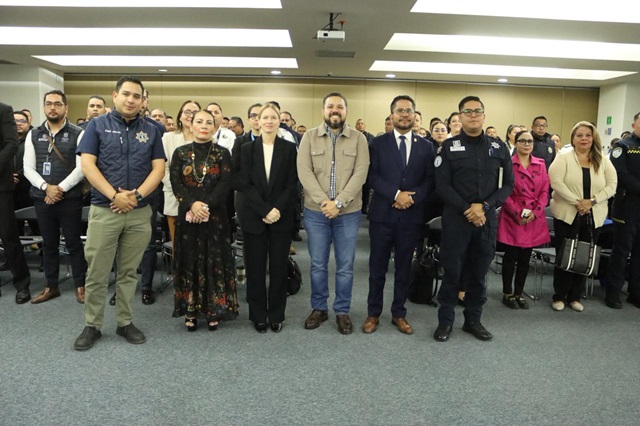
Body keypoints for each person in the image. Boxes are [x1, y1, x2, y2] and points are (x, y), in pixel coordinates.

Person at [73, 76, 165, 351]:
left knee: (129, 271)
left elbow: (158, 169)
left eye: (137, 96)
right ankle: (92, 325)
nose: (131, 100)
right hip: (105, 209)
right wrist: (115, 196)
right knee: (97, 272)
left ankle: (125, 322)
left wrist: (136, 197)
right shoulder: (96, 125)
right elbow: (87, 165)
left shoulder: (152, 130)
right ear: (115, 96)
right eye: (126, 94)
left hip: (139, 211)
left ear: (143, 100)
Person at [433, 96, 514, 342]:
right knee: (452, 272)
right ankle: (445, 321)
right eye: (467, 111)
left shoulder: (499, 148)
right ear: (460, 117)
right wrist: (469, 209)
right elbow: (442, 186)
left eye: (478, 111)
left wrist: (485, 207)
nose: (473, 115)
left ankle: (473, 320)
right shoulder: (448, 147)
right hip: (457, 219)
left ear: (484, 115)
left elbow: (508, 185)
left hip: (486, 220)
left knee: (479, 273)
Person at [297, 92, 369, 335]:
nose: (334, 110)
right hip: (316, 212)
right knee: (318, 264)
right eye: (330, 106)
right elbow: (304, 172)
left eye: (339, 106)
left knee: (345, 266)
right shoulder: (309, 137)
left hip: (348, 213)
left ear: (346, 111)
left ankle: (342, 310)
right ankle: (319, 308)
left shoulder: (359, 139)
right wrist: (324, 202)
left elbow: (361, 173)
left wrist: (338, 203)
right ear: (323, 111)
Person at [363, 95, 435, 335]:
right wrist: (396, 194)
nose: (404, 115)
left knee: (404, 268)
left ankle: (399, 313)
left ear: (415, 115)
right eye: (399, 111)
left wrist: (411, 198)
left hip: (411, 217)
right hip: (382, 215)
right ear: (392, 115)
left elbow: (430, 180)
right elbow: (371, 176)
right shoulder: (377, 143)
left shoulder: (426, 146)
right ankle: (373, 313)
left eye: (409, 111)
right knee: (377, 268)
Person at [170, 110, 239, 331]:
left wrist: (205, 205)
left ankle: (213, 308)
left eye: (209, 122)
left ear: (215, 128)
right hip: (188, 216)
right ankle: (190, 308)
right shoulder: (180, 153)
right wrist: (192, 205)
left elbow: (225, 183)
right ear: (190, 125)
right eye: (199, 121)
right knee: (190, 260)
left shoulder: (222, 153)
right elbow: (176, 182)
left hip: (215, 216)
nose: (204, 126)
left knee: (214, 261)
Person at [23, 90, 87, 304]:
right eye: (49, 103)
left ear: (66, 108)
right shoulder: (34, 134)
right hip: (42, 197)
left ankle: (80, 285)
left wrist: (58, 189)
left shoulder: (78, 133)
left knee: (74, 243)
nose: (53, 107)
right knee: (48, 244)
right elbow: (28, 167)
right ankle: (51, 286)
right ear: (44, 107)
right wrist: (46, 187)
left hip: (70, 198)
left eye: (58, 104)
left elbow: (82, 168)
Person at [238, 103, 297, 333]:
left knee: (279, 268)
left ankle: (276, 314)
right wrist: (264, 210)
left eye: (274, 117)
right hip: (255, 216)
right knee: (255, 268)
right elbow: (244, 184)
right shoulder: (246, 149)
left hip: (281, 216)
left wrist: (276, 209)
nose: (269, 121)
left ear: (279, 121)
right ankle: (258, 315)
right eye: (265, 117)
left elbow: (292, 184)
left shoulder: (289, 149)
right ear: (258, 121)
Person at [548, 121, 616, 312]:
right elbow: (556, 182)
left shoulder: (603, 159)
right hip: (567, 213)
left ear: (593, 138)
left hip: (594, 215)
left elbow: (612, 185)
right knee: (564, 255)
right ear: (573, 138)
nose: (584, 138)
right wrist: (578, 202)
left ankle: (575, 297)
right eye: (579, 135)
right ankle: (559, 296)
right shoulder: (563, 157)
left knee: (585, 256)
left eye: (588, 135)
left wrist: (592, 202)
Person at [497, 131, 550, 309]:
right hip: (513, 214)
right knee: (510, 257)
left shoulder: (540, 164)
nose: (527, 144)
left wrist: (536, 212)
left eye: (530, 141)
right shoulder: (508, 164)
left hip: (533, 216)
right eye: (523, 141)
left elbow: (545, 191)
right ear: (515, 142)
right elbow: (503, 190)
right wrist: (516, 212)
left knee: (525, 259)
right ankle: (507, 293)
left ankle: (519, 293)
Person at [606, 113, 640, 309]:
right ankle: (613, 292)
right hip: (627, 207)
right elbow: (620, 174)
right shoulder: (623, 146)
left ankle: (635, 293)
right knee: (621, 252)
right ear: (634, 124)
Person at [0, 101, 31, 303]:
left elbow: (11, 144)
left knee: (9, 236)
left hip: (1, 185)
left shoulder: (4, 110)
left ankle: (22, 283)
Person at [162, 100, 201, 244]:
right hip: (173, 196)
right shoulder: (168, 138)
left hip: (199, 199)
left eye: (195, 113)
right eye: (187, 112)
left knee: (198, 244)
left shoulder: (207, 139)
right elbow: (163, 168)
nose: (190, 115)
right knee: (178, 245)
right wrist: (180, 190)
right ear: (180, 116)